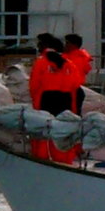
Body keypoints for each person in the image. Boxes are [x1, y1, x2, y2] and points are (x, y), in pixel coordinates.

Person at [28, 33, 80, 163]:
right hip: (66, 101)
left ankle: (42, 157)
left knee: (43, 130)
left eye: (39, 44)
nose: (38, 47)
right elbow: (75, 86)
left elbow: (34, 86)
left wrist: (35, 104)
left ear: (45, 46)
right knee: (63, 131)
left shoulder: (41, 63)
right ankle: (64, 158)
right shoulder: (70, 64)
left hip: (46, 100)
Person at [63, 32, 93, 112]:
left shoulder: (67, 58)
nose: (65, 45)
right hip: (78, 90)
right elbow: (86, 70)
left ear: (73, 45)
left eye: (67, 43)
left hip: (68, 92)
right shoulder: (83, 57)